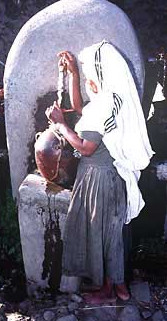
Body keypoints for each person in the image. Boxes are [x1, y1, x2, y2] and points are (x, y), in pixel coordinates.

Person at [45, 40, 154, 304]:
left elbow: (86, 147)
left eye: (88, 71)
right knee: (109, 234)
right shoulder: (113, 99)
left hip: (99, 178)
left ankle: (111, 289)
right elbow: (83, 108)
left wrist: (61, 126)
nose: (88, 77)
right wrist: (72, 73)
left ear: (100, 71)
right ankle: (118, 287)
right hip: (108, 176)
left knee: (101, 234)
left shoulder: (106, 104)